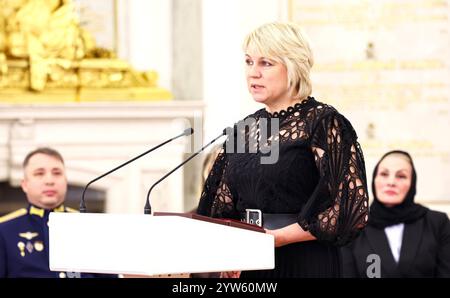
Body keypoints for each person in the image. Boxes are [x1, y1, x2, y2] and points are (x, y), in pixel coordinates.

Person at [196, 22, 369, 278]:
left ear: (294, 66)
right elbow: (222, 204)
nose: (253, 73)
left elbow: (347, 209)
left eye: (266, 63)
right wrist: (228, 253)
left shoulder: (323, 122)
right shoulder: (243, 129)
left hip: (304, 261)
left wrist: (278, 237)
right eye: (248, 62)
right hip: (250, 261)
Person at [0, 147, 114, 278]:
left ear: (65, 181)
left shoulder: (90, 226)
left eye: (57, 173)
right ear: (25, 184)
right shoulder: (4, 231)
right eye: (39, 173)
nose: (49, 181)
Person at [341, 150, 450, 278]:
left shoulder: (436, 223)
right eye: (384, 174)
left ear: (412, 183)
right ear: (374, 180)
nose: (391, 182)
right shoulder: (354, 226)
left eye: (401, 176)